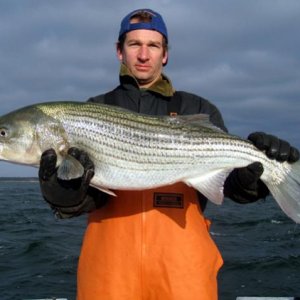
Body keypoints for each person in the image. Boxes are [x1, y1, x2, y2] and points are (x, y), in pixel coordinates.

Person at [38, 9, 299, 300]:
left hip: (183, 273)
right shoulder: (94, 109)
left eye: (153, 45)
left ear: (165, 54)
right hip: (110, 274)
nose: (143, 54)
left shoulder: (196, 108)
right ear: (119, 51)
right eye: (134, 44)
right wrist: (64, 195)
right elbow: (91, 197)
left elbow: (230, 185)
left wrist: (255, 179)